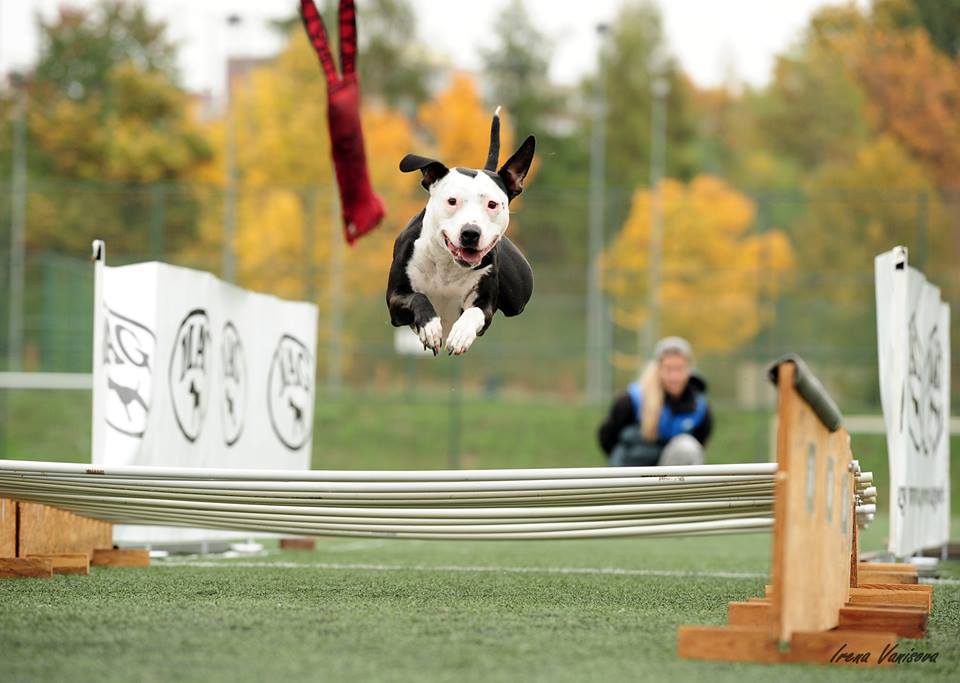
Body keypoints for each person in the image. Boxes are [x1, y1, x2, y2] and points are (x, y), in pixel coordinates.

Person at [598, 336, 712, 466]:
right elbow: (607, 437)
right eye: (668, 369)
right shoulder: (631, 401)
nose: (674, 377)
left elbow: (700, 444)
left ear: (689, 370)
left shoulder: (698, 407)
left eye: (679, 369)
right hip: (632, 473)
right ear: (658, 369)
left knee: (687, 448)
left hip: (668, 478)